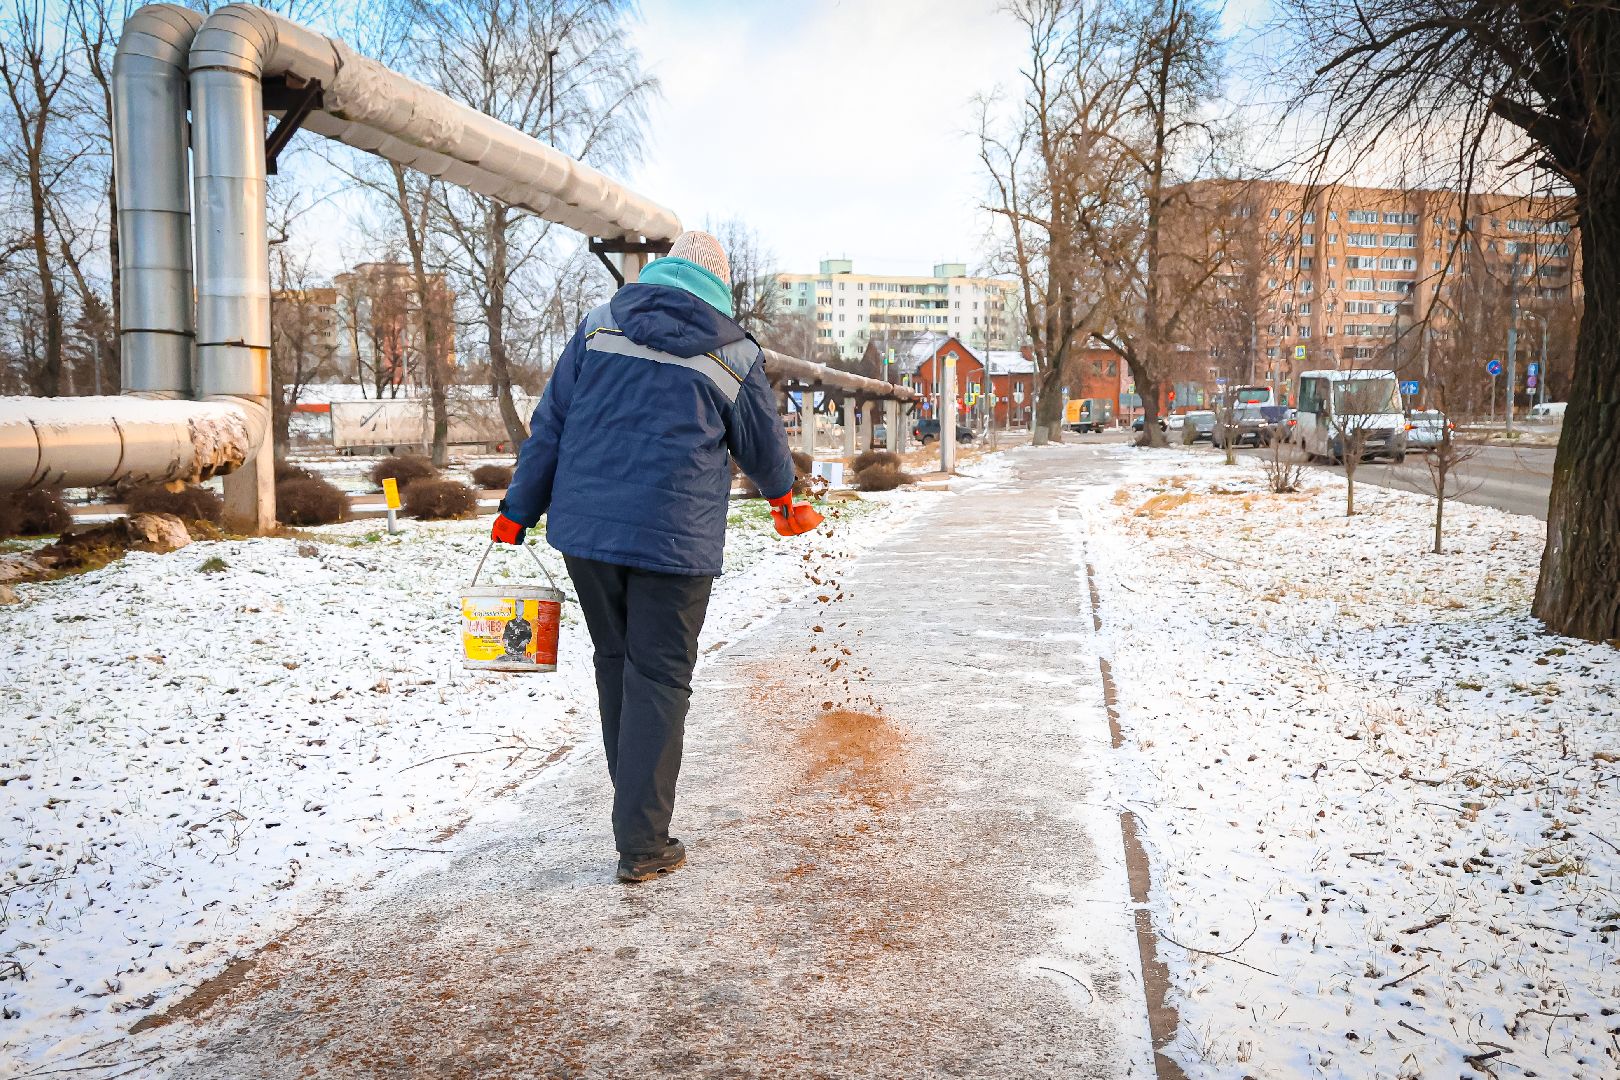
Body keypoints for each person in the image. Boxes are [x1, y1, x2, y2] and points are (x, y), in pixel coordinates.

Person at [490, 230, 823, 883]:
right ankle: (642, 842)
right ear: (717, 286)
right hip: (675, 540)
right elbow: (763, 449)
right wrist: (785, 500)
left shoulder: (598, 324)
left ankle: (633, 819)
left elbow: (549, 424)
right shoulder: (733, 350)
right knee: (660, 678)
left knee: (618, 665)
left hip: (587, 535)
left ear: (665, 268)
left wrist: (516, 511)